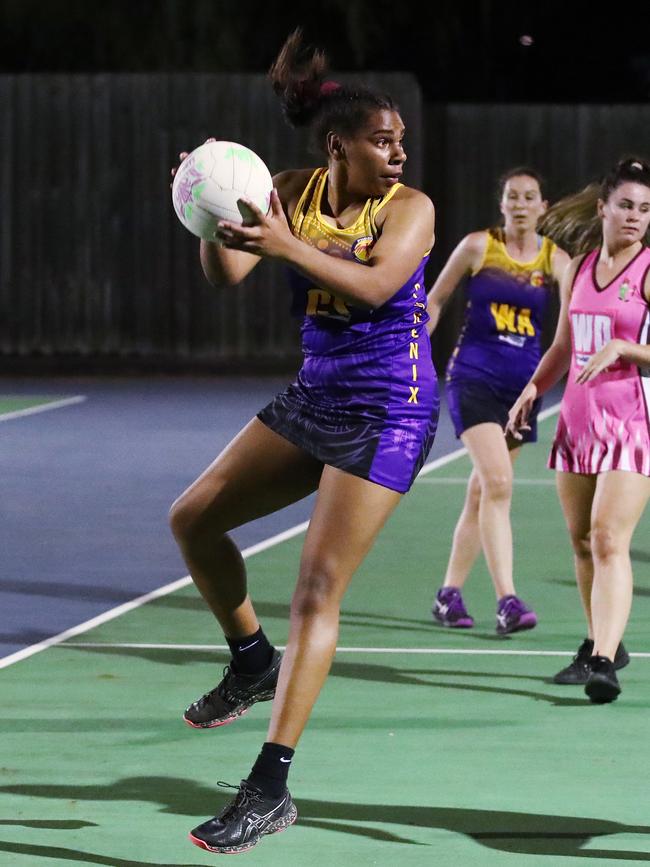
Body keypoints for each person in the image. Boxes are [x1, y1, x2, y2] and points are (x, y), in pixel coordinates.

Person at [169, 29, 438, 855]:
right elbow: (228, 275)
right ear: (338, 147)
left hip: (390, 409)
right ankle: (250, 660)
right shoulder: (289, 189)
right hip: (317, 395)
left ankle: (270, 785)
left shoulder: (413, 211)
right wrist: (210, 206)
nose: (397, 153)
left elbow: (373, 284)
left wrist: (284, 241)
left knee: (317, 590)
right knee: (193, 520)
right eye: (381, 141)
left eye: (399, 141)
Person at [507, 157, 650, 703]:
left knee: (611, 537)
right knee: (583, 542)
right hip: (578, 418)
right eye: (626, 206)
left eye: (644, 209)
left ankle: (604, 665)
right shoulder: (578, 268)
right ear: (603, 209)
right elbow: (565, 347)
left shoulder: (647, 270)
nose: (635, 217)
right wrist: (531, 389)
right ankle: (601, 641)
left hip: (632, 419)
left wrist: (625, 348)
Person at [426, 169, 570, 633]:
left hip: (521, 393)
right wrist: (408, 352)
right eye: (513, 196)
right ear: (502, 204)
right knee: (499, 482)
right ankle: (508, 600)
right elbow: (434, 302)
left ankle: (449, 595)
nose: (521, 203)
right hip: (472, 379)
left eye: (530, 197)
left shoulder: (556, 261)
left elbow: (574, 324)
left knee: (480, 492)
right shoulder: (477, 247)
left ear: (543, 206)